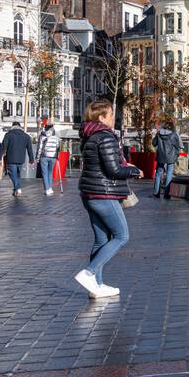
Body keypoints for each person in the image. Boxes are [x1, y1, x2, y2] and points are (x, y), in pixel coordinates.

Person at [74, 99, 142, 299]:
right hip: (104, 194)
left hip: (89, 193)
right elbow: (113, 170)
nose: (114, 117)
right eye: (111, 114)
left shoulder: (89, 136)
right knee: (122, 236)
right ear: (102, 117)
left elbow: (100, 164)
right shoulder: (105, 137)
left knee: (101, 239)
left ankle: (97, 286)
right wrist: (133, 170)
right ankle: (89, 273)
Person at [1, 121, 34, 197]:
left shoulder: (8, 135)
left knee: (12, 173)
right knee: (18, 175)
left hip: (11, 158)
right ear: (20, 127)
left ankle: (18, 188)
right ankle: (16, 190)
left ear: (12, 126)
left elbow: (3, 146)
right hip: (21, 158)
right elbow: (29, 148)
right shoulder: (26, 136)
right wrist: (31, 159)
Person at [152, 120, 181, 199]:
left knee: (158, 174)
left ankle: (156, 193)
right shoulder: (173, 135)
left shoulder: (159, 134)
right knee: (169, 174)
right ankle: (167, 194)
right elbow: (178, 145)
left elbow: (154, 143)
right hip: (171, 157)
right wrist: (176, 154)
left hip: (160, 156)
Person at [36, 123, 60, 196]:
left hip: (44, 156)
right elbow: (58, 147)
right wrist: (57, 155)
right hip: (53, 156)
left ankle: (47, 189)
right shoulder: (56, 136)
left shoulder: (42, 136)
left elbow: (40, 148)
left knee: (44, 173)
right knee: (50, 172)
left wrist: (37, 157)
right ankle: (50, 188)